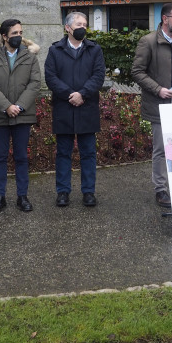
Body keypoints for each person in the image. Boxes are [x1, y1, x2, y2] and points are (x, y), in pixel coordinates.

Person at [131, 2, 172, 208]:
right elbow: (137, 72)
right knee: (161, 149)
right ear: (165, 19)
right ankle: (161, 188)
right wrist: (158, 89)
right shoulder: (148, 41)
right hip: (160, 103)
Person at [45, 11, 106, 208]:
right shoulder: (55, 50)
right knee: (63, 153)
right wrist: (70, 94)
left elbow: (98, 75)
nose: (83, 27)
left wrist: (82, 94)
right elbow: (51, 77)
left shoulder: (94, 49)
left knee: (88, 153)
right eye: (79, 24)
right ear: (68, 28)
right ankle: (63, 192)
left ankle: (88, 192)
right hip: (64, 107)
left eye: (85, 24)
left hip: (86, 107)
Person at [0, 18, 41, 213]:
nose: (19, 36)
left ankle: (22, 196)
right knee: (0, 157)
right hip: (0, 115)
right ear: (4, 36)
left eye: (20, 33)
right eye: (14, 33)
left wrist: (19, 106)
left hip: (22, 116)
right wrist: (6, 106)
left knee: (22, 157)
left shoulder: (30, 57)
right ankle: (0, 197)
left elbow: (34, 83)